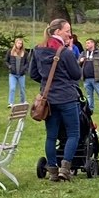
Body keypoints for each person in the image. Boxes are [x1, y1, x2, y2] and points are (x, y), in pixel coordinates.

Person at [31, 19, 84, 182]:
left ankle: (53, 171)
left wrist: (48, 82)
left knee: (51, 136)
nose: (70, 34)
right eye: (67, 30)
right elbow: (77, 75)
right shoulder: (66, 52)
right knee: (73, 133)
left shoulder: (37, 50)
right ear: (57, 32)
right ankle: (65, 169)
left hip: (49, 100)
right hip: (67, 98)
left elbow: (33, 74)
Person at [80, 39, 99, 103]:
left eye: (88, 43)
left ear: (93, 44)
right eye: (86, 43)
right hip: (86, 79)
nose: (86, 45)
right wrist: (80, 61)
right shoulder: (83, 53)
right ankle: (90, 110)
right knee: (89, 96)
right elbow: (77, 63)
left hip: (96, 79)